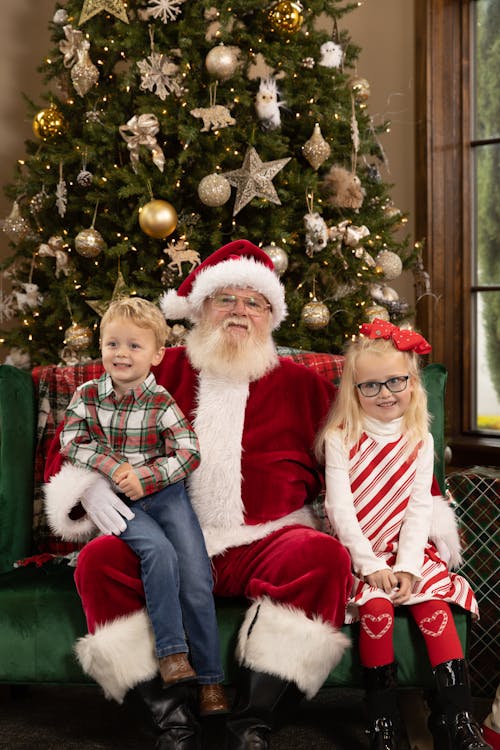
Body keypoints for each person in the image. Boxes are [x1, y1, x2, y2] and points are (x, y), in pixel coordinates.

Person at [43, 241, 461, 750]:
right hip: (166, 540)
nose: (240, 312)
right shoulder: (155, 369)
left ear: (271, 316)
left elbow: (373, 451)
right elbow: (79, 434)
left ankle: (254, 721)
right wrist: (88, 486)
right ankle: (169, 717)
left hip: (269, 540)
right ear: (199, 307)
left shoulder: (303, 385)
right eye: (226, 299)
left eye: (254, 302)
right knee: (99, 561)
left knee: (323, 557)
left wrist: (421, 523)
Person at [317, 319, 492, 750]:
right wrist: (371, 566)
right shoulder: (342, 438)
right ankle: (384, 722)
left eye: (396, 381)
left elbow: (418, 509)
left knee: (433, 603)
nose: (386, 393)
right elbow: (339, 510)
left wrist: (409, 567)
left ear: (413, 382)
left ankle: (457, 720)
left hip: (406, 549)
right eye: (371, 385)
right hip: (359, 550)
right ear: (353, 391)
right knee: (375, 609)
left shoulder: (419, 439)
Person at [55, 297, 228, 717]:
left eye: (134, 346)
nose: (122, 354)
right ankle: (172, 654)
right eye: (113, 343)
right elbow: (71, 442)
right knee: (158, 552)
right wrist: (112, 468)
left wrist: (148, 476)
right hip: (118, 500)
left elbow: (188, 453)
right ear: (101, 347)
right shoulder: (88, 395)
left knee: (196, 575)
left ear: (156, 355)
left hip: (165, 495)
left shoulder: (161, 402)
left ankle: (211, 680)